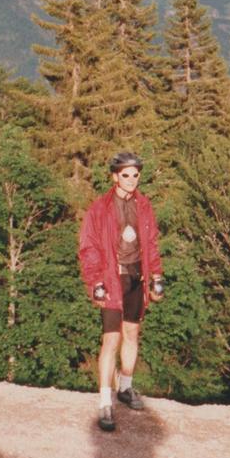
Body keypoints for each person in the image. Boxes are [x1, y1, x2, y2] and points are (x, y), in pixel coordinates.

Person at [78, 151, 165, 432]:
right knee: (110, 341)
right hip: (111, 280)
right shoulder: (99, 208)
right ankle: (105, 401)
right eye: (125, 175)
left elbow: (150, 243)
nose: (131, 180)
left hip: (136, 278)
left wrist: (157, 276)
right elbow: (89, 247)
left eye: (135, 175)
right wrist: (95, 282)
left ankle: (125, 388)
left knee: (131, 334)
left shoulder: (144, 205)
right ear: (115, 176)